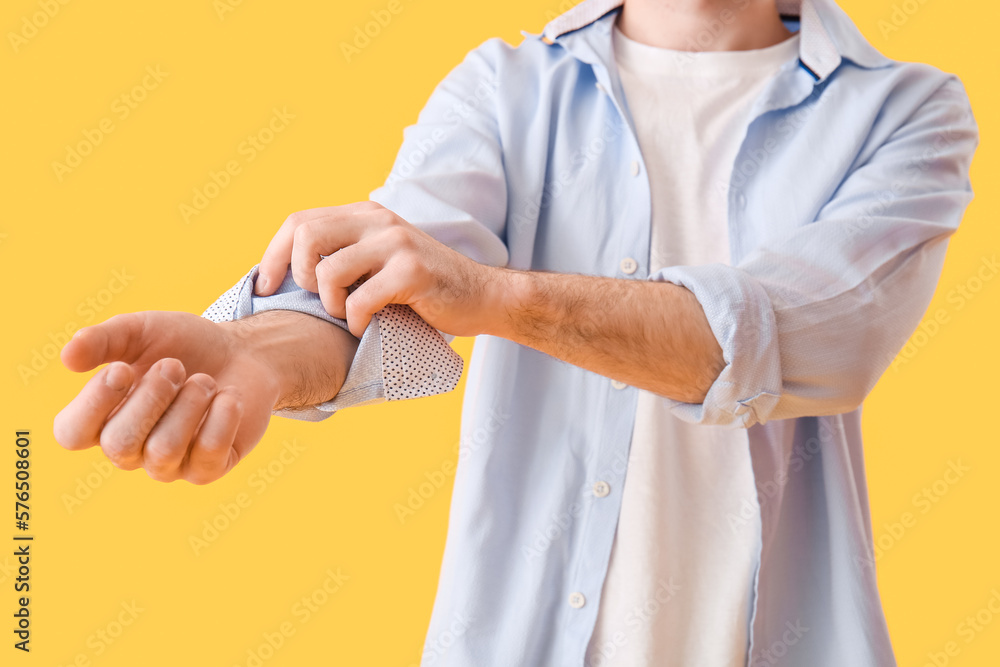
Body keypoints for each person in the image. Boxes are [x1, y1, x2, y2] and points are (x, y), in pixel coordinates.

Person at [54, 0, 978, 664]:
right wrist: (257, 357)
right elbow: (388, 291)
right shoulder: (503, 89)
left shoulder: (903, 112)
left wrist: (495, 296)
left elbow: (806, 335)